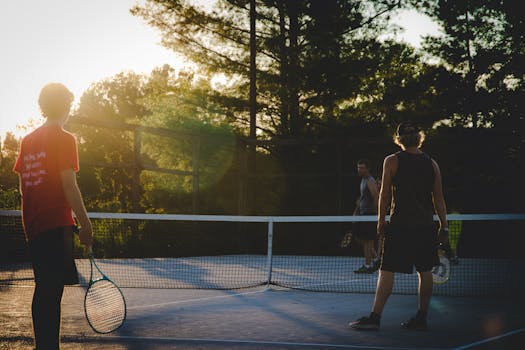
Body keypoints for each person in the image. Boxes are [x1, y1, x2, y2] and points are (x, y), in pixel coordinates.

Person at [14, 83, 93, 349]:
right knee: (52, 290)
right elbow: (69, 185)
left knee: (43, 288)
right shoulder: (65, 138)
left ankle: (44, 345)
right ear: (65, 106)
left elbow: (24, 189)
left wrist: (28, 226)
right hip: (57, 225)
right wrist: (85, 223)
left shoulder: (27, 141)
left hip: (35, 227)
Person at [350, 121, 449, 331]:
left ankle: (375, 317)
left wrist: (380, 220)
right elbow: (438, 198)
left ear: (399, 139)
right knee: (425, 271)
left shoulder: (392, 161)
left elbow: (385, 194)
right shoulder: (432, 164)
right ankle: (422, 318)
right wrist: (444, 225)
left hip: (400, 226)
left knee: (386, 270)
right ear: (418, 137)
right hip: (424, 226)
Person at [353, 159, 380, 274]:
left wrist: (378, 214)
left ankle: (368, 265)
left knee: (367, 241)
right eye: (358, 167)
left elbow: (376, 196)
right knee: (366, 241)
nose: (359, 170)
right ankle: (377, 260)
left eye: (362, 168)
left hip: (370, 215)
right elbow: (362, 199)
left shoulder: (370, 181)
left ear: (368, 169)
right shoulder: (363, 180)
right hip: (363, 215)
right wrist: (356, 211)